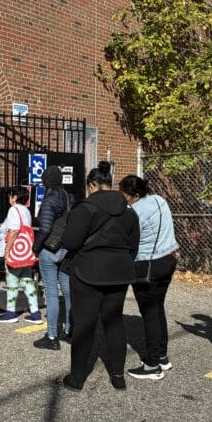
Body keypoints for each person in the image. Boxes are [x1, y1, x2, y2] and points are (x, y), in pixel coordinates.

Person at [57, 161, 140, 391]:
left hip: (87, 272)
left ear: (92, 185)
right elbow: (133, 246)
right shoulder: (129, 212)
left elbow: (71, 241)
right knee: (114, 322)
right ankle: (117, 375)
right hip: (120, 273)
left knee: (85, 325)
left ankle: (77, 377)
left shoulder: (85, 208)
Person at [119, 175, 180, 380]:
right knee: (158, 307)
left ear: (135, 195)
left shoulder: (134, 212)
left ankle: (152, 365)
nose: (123, 198)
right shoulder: (159, 200)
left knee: (150, 314)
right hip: (168, 259)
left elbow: (128, 240)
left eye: (125, 195)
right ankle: (162, 356)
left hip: (147, 265)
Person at [29, 165, 74, 350]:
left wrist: (36, 247)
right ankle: (71, 330)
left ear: (46, 181)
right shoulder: (68, 196)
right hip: (66, 248)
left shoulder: (49, 199)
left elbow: (45, 228)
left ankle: (52, 336)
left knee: (51, 293)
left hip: (50, 249)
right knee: (69, 291)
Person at [0, 186, 41, 325]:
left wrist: (7, 250)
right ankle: (35, 313)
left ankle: (10, 312)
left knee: (12, 282)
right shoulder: (26, 210)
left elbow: (14, 230)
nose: (9, 198)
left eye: (11, 195)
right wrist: (0, 229)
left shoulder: (13, 209)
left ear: (14, 197)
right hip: (25, 252)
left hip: (16, 252)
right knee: (27, 281)